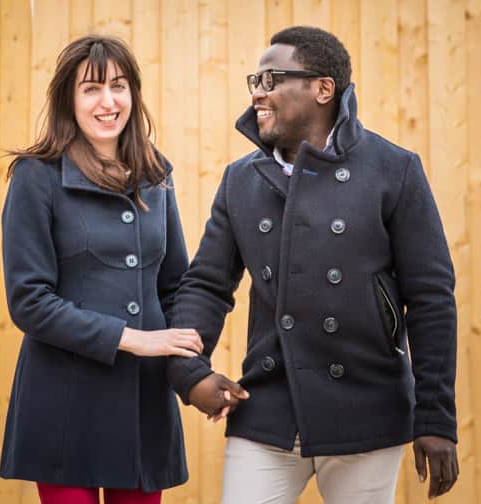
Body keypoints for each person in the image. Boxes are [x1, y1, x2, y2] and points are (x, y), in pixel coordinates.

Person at [165, 26, 459, 503]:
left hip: (367, 410)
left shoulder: (394, 170)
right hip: (267, 411)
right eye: (255, 81)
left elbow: (430, 300)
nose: (258, 93)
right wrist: (191, 373)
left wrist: (435, 417)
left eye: (273, 79)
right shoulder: (241, 180)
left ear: (324, 88)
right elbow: (205, 286)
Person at [0, 35, 198, 504]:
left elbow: (176, 289)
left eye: (119, 86)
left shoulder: (157, 176)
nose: (108, 102)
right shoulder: (36, 176)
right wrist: (134, 339)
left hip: (142, 403)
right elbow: (29, 301)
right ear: (68, 99)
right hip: (64, 401)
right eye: (91, 88)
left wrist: (196, 375)